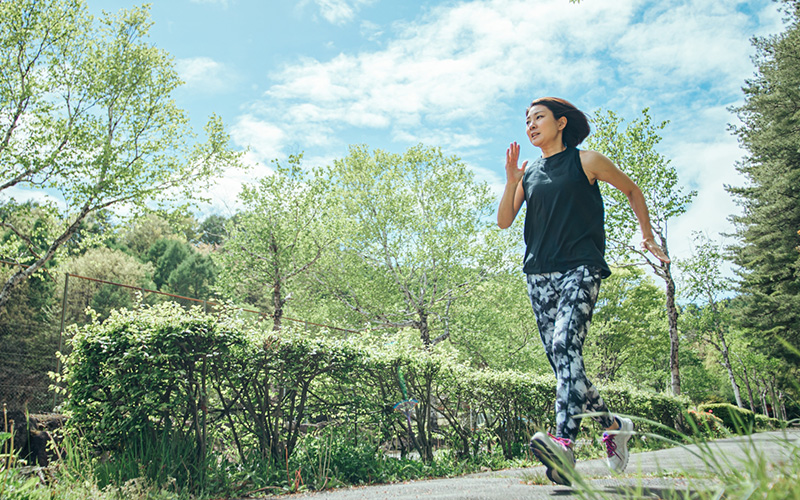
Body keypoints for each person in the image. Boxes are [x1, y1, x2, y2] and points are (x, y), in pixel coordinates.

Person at [496, 97, 670, 486]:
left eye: (538, 117)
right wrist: (511, 181)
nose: (531, 125)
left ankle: (563, 444)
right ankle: (614, 426)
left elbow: (632, 190)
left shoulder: (586, 160)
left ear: (560, 123)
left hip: (581, 266)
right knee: (565, 363)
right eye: (527, 120)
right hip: (538, 274)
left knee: (563, 348)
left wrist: (647, 236)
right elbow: (505, 221)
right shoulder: (529, 174)